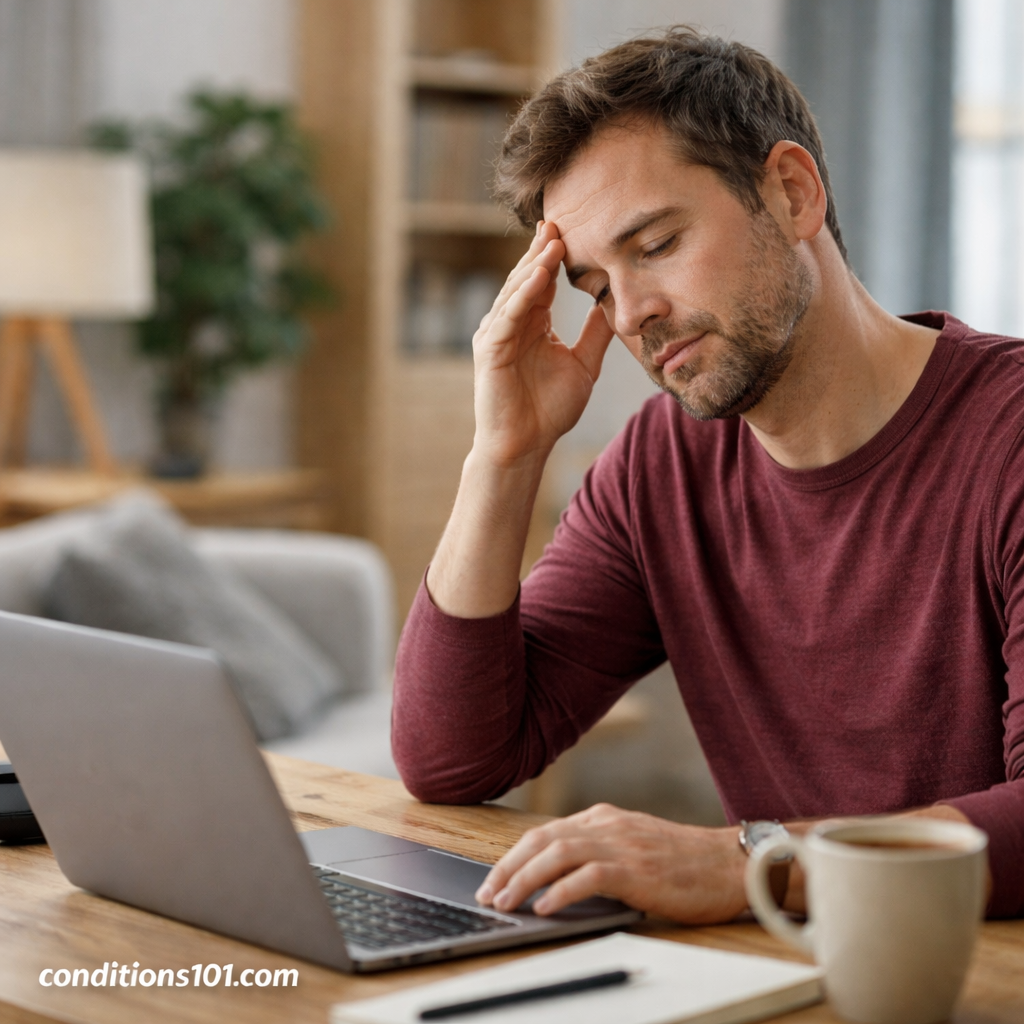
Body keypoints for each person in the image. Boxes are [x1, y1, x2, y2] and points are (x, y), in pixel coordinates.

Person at [391, 27, 1024, 921]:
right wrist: (504, 454)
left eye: (655, 245)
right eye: (597, 285)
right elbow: (454, 759)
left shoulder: (1009, 438)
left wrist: (746, 864)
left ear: (793, 193)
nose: (634, 314)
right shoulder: (660, 466)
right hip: (796, 972)